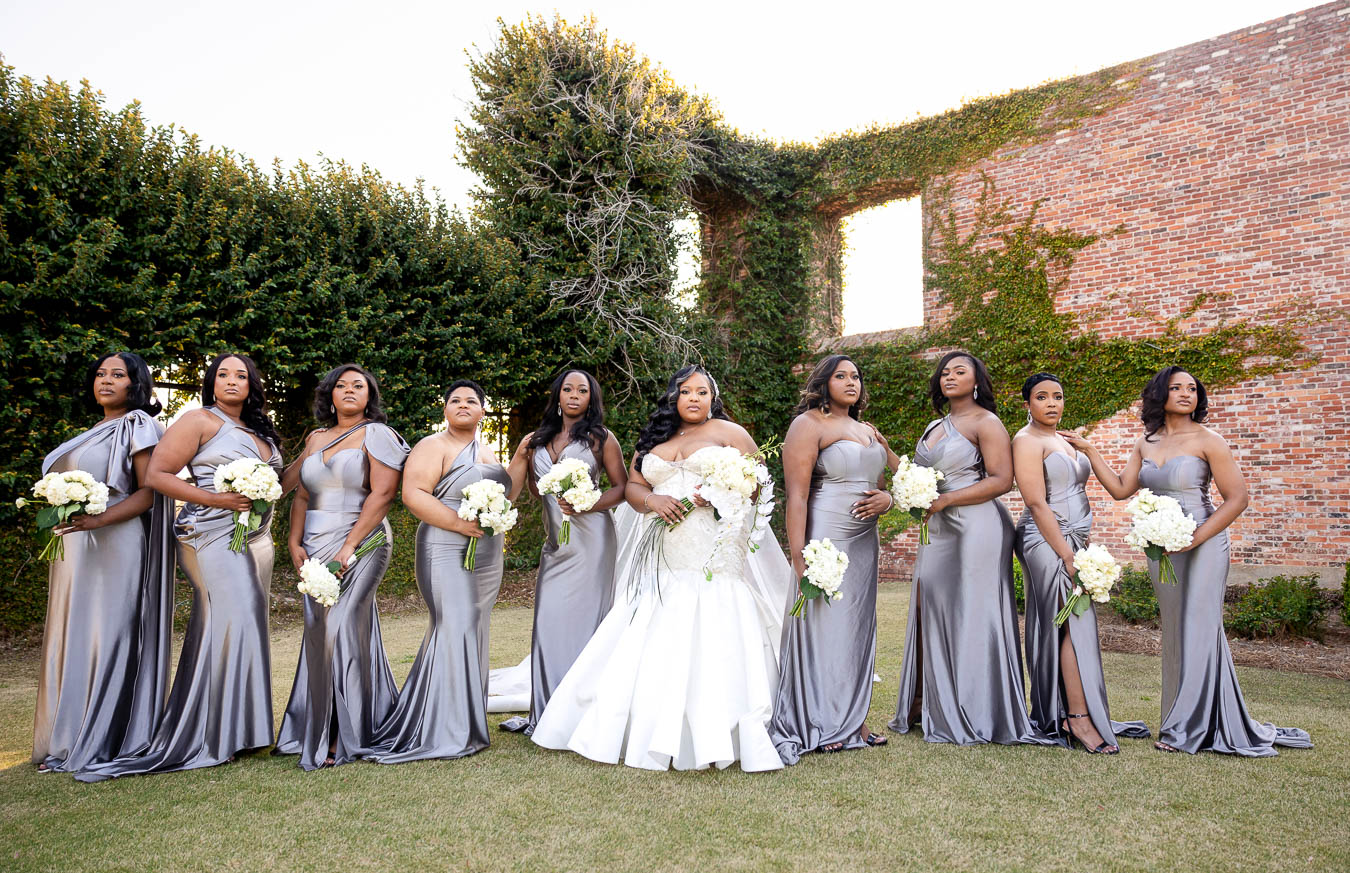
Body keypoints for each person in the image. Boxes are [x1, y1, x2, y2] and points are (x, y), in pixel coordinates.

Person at [530, 365, 793, 771]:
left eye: (702, 392)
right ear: (674, 396)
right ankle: (642, 721)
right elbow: (634, 487)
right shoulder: (655, 438)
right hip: (664, 545)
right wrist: (653, 502)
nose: (693, 398)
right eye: (686, 391)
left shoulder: (731, 434)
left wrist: (719, 492)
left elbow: (757, 481)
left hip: (711, 545)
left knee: (712, 612)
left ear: (712, 398)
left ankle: (716, 730)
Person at [1063, 366, 1311, 756]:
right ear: (1160, 395)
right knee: (1177, 629)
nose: (1185, 393)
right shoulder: (1146, 442)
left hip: (1205, 544)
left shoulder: (1209, 440)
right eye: (1176, 387)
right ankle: (1183, 717)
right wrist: (1091, 451)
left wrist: (1194, 537)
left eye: (1192, 388)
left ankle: (1186, 730)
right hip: (1161, 550)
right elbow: (1120, 489)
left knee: (1200, 624)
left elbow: (1237, 499)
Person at [77, 353, 282, 781]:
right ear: (211, 382)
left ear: (252, 386)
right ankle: (210, 734)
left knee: (244, 625)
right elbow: (157, 475)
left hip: (255, 540)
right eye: (223, 374)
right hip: (208, 533)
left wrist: (322, 447)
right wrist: (218, 499)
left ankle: (243, 730)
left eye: (240, 375)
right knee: (232, 618)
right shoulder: (198, 420)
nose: (231, 381)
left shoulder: (258, 430)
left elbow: (281, 482)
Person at [889, 351, 1051, 746]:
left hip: (978, 526)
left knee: (974, 612)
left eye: (960, 371)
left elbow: (1001, 480)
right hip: (940, 528)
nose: (950, 377)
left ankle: (979, 708)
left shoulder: (986, 422)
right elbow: (918, 476)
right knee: (934, 607)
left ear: (976, 380)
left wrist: (946, 500)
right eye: (944, 372)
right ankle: (929, 701)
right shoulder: (934, 425)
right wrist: (887, 454)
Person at [33, 352, 173, 773]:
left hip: (118, 540)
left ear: (136, 384)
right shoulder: (90, 432)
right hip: (76, 545)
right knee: (74, 632)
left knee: (109, 632)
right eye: (100, 374)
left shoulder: (140, 425)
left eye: (118, 374)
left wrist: (98, 519)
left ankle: (107, 736)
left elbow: (150, 491)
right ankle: (68, 737)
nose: (106, 381)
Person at [367, 380, 510, 763]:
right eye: (455, 400)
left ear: (483, 410)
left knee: (474, 627)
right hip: (446, 547)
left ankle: (465, 722)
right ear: (444, 409)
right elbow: (413, 494)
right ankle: (442, 729)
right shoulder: (432, 446)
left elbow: (504, 494)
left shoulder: (487, 449)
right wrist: (459, 524)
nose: (463, 405)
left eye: (472, 401)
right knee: (456, 624)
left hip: (485, 552)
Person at [275, 364, 409, 769]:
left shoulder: (377, 435)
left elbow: (384, 493)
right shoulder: (315, 438)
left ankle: (342, 734)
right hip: (314, 544)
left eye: (359, 385)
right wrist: (293, 541)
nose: (350, 390)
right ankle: (317, 726)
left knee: (342, 628)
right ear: (329, 395)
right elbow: (298, 494)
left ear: (370, 396)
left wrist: (348, 548)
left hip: (361, 541)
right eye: (342, 385)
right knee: (319, 632)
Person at [1011, 372, 1149, 754]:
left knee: (1074, 623)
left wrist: (1089, 449)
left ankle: (1071, 710)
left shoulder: (1065, 439)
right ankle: (1076, 717)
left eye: (1058, 396)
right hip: (1047, 541)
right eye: (1042, 397)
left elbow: (1116, 489)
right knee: (1071, 621)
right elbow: (1037, 503)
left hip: (1078, 543)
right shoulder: (1025, 441)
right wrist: (1068, 556)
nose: (1052, 403)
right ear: (1028, 404)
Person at [770, 355, 896, 763]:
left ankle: (853, 718)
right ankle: (821, 719)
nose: (850, 382)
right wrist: (797, 553)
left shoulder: (866, 430)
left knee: (858, 623)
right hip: (825, 535)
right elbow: (797, 494)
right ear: (823, 383)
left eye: (856, 376)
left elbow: (880, 484)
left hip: (864, 538)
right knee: (824, 623)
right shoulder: (808, 425)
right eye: (841, 376)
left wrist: (889, 498)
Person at [498, 369, 627, 735]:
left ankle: (584, 712)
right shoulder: (534, 441)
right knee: (548, 622)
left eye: (582, 390)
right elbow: (528, 491)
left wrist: (588, 503)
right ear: (557, 396)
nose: (574, 395)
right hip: (556, 542)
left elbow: (622, 488)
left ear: (591, 398)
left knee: (587, 624)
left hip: (593, 541)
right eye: (567, 389)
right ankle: (548, 710)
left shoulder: (602, 439)